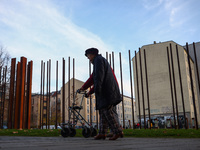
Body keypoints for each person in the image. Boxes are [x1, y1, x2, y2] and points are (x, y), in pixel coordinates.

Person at [78, 48, 123, 140]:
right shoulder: (99, 61)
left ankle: (117, 131)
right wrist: (87, 89)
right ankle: (102, 133)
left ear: (93, 54)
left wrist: (96, 90)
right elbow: (93, 78)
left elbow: (98, 78)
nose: (88, 58)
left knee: (107, 112)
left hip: (107, 91)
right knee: (103, 112)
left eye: (88, 56)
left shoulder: (98, 61)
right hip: (106, 90)